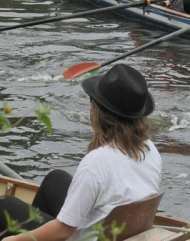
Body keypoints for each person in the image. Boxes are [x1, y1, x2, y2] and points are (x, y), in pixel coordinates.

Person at [0, 64, 162, 241]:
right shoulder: (150, 149)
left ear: (98, 112)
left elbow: (63, 231)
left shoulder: (96, 163)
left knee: (5, 205)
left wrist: (15, 239)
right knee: (55, 179)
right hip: (118, 231)